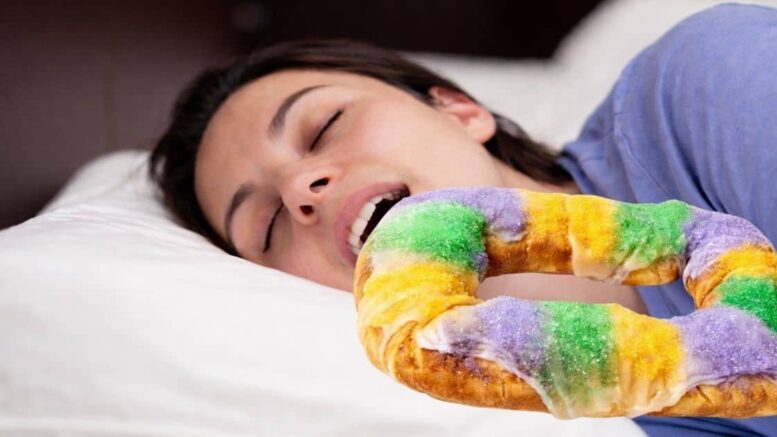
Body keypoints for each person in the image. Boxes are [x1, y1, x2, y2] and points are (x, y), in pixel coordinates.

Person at [149, 3, 777, 436]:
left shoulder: (702, 82)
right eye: (267, 227)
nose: (299, 189)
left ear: (458, 110)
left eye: (324, 126)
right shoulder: (617, 406)